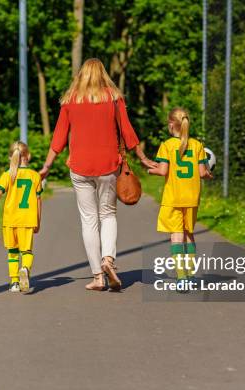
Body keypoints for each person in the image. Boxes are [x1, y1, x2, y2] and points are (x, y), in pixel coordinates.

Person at [39, 58, 157, 291]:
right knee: (108, 215)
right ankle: (108, 260)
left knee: (89, 220)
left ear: (81, 75)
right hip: (108, 167)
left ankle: (98, 277)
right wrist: (143, 159)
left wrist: (46, 166)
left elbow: (59, 138)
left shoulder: (70, 100)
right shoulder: (113, 99)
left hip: (80, 167)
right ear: (104, 75)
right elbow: (128, 131)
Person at [147, 108, 213, 286]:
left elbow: (163, 171)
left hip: (173, 197)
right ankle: (191, 274)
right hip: (192, 197)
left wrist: (149, 169)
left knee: (176, 235)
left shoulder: (167, 145)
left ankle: (181, 277)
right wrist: (208, 174)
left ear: (171, 124)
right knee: (189, 233)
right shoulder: (197, 145)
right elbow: (202, 172)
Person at [0, 141, 43, 293]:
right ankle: (25, 269)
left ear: (10, 157)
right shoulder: (35, 176)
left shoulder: (7, 175)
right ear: (28, 156)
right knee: (26, 251)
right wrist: (38, 221)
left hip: (10, 220)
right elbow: (38, 201)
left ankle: (14, 282)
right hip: (27, 220)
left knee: (12, 251)